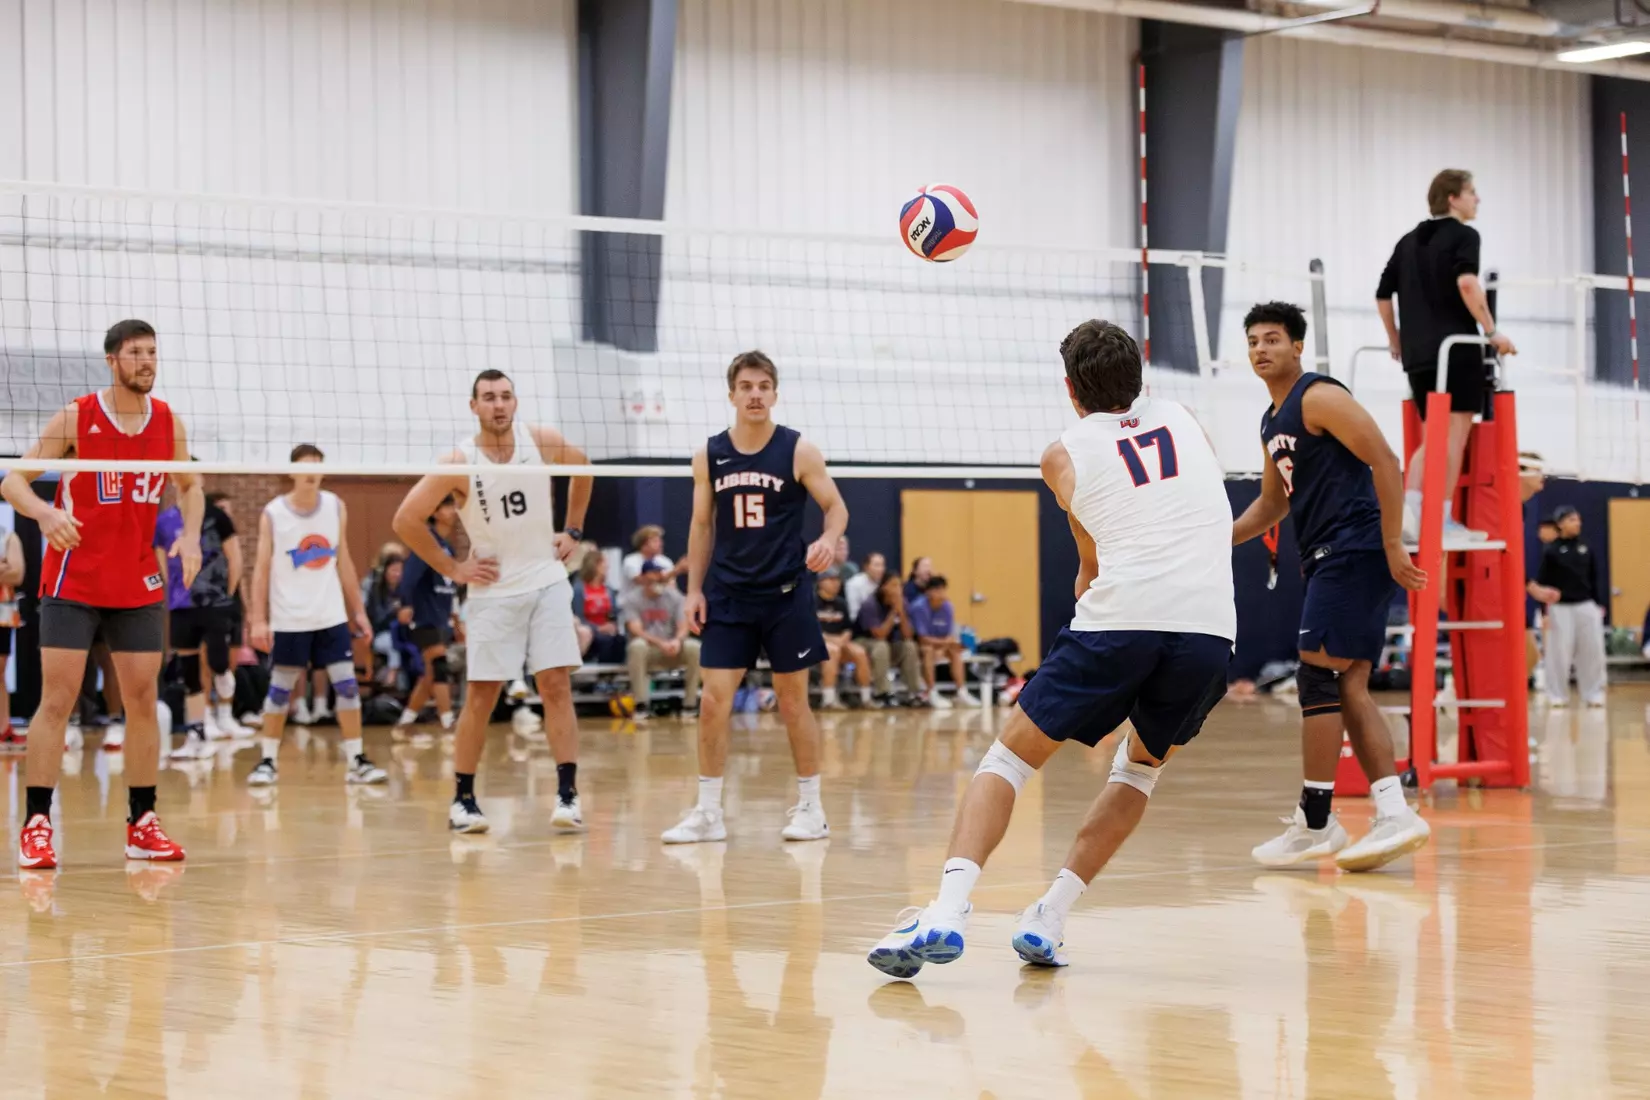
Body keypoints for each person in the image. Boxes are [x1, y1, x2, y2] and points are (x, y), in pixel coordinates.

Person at [866, 318, 1235, 978]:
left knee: (1007, 760)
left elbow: (1089, 561)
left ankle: (949, 909)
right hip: (1211, 629)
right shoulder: (1188, 419)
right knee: (1139, 771)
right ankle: (1050, 914)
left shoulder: (1060, 455)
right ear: (1142, 375)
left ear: (1070, 390)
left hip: (1120, 618)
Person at [1232, 301, 1432, 872]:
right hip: (1328, 556)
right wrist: (1217, 538)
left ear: (1297, 347)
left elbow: (1387, 461)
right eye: (1252, 341)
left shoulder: (1317, 397)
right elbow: (1272, 504)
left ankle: (1317, 820)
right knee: (1349, 684)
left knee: (1317, 673)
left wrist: (1394, 543)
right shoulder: (1272, 422)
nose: (1261, 349)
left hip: (1354, 547)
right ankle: (1391, 810)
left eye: (1272, 339)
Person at [0, 319, 198, 869]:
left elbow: (192, 487)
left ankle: (143, 822)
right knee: (57, 701)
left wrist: (188, 534)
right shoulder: (77, 415)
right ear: (112, 360)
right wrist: (44, 512)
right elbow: (12, 480)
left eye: (153, 352)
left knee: (141, 701)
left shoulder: (169, 424)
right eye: (136, 353)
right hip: (74, 578)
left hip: (136, 580)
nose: (147, 362)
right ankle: (37, 823)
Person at [392, 369, 592, 834]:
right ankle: (463, 800)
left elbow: (583, 468)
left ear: (515, 402)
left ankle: (567, 795)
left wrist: (574, 530)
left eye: (505, 396)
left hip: (545, 578)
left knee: (555, 685)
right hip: (493, 590)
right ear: (474, 406)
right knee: (482, 694)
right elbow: (406, 519)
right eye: (488, 397)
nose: (498, 405)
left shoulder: (540, 439)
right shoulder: (458, 460)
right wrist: (452, 569)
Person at [660, 350, 848, 845]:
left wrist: (828, 540)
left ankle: (811, 809)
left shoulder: (798, 450)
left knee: (793, 704)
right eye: (746, 386)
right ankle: (707, 813)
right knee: (712, 703)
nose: (756, 394)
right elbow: (702, 526)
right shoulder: (709, 454)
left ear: (775, 393)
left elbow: (836, 507)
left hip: (785, 594)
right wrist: (694, 590)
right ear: (732, 395)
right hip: (728, 596)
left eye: (764, 385)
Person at [1375, 169, 1516, 544]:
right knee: (1452, 437)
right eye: (1472, 192)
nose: (1477, 200)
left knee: (1433, 436)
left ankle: (1411, 510)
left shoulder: (1408, 241)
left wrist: (1396, 340)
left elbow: (1382, 295)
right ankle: (1442, 520)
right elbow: (1467, 282)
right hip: (1456, 349)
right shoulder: (1465, 235)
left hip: (1419, 356)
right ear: (1453, 198)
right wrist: (1491, 332)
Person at [243, 445, 386, 789]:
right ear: (291, 472)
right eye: (304, 466)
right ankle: (267, 760)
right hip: (290, 619)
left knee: (348, 688)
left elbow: (345, 562)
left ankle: (357, 760)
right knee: (279, 692)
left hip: (330, 615)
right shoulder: (274, 513)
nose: (311, 472)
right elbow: (261, 568)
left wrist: (359, 612)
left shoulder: (336, 507)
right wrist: (258, 619)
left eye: (317, 466)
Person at [161, 487, 250, 758]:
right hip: (182, 605)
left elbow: (235, 557)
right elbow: (160, 559)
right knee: (189, 673)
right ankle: (195, 734)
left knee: (218, 659)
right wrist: (171, 593)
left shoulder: (217, 517)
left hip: (215, 601)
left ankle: (223, 674)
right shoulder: (164, 521)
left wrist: (228, 593)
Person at [1529, 505, 1608, 708]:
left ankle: (1593, 693)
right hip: (1560, 608)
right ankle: (1557, 695)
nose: (1577, 523)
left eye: (1578, 519)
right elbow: (1542, 582)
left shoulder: (1586, 548)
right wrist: (1543, 611)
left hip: (1586, 605)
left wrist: (1599, 604)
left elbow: (1595, 577)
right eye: (1572, 520)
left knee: (1592, 651)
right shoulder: (1552, 551)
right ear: (1561, 523)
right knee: (1559, 653)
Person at [396, 494, 461, 730]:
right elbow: (409, 577)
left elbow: (451, 585)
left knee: (431, 674)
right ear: (434, 512)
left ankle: (405, 722)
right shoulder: (426, 542)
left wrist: (456, 618)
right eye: (448, 507)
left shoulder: (448, 548)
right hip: (424, 617)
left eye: (454, 506)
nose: (454, 511)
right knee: (440, 665)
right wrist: (406, 603)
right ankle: (448, 721)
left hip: (441, 617)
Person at [622, 560, 701, 715]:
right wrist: (660, 643)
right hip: (649, 650)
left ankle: (690, 705)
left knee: (695, 647)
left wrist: (677, 641)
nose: (657, 578)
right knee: (636, 646)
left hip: (672, 648)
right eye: (653, 575)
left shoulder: (675, 597)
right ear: (644, 578)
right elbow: (635, 629)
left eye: (659, 575)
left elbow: (683, 625)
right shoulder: (632, 599)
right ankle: (641, 705)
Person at [910, 576, 980, 709]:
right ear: (928, 592)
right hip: (918, 646)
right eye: (937, 590)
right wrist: (942, 644)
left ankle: (961, 691)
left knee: (955, 650)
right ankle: (931, 691)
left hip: (939, 644)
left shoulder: (947, 606)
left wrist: (944, 647)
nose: (941, 594)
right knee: (928, 650)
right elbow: (922, 638)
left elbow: (949, 636)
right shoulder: (919, 607)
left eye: (943, 590)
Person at [857, 572, 924, 706]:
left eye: (900, 585)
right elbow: (880, 634)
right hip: (865, 644)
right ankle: (883, 693)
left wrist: (901, 612)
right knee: (881, 646)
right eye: (894, 585)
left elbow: (907, 635)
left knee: (910, 646)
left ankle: (913, 693)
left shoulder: (902, 603)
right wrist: (894, 611)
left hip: (889, 645)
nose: (897, 589)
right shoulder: (870, 604)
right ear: (883, 587)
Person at [814, 568, 870, 709]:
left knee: (860, 652)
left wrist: (843, 639)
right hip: (814, 645)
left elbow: (847, 629)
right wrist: (833, 641)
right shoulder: (811, 601)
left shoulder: (841, 603)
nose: (836, 583)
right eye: (831, 580)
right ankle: (828, 699)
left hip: (839, 642)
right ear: (821, 582)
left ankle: (866, 698)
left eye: (837, 580)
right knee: (831, 651)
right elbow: (810, 630)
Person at [572, 551, 626, 663]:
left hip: (608, 631)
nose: (607, 566)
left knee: (620, 642)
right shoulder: (579, 590)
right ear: (594, 565)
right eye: (604, 563)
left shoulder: (608, 590)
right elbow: (577, 617)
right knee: (603, 642)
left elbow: (613, 614)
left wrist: (612, 625)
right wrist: (597, 628)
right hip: (589, 632)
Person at [0, 519, 23, 748]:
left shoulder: (7, 536)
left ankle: (3, 727)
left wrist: (8, 568)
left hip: (2, 614)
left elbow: (16, 574)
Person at [621, 525, 679, 590]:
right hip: (632, 600)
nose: (660, 544)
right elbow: (643, 581)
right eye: (655, 541)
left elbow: (672, 587)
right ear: (643, 545)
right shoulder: (631, 561)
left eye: (660, 541)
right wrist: (677, 570)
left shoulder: (666, 561)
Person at [844, 550, 884, 620]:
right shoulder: (854, 583)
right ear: (866, 567)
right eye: (877, 565)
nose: (881, 569)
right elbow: (853, 614)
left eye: (882, 565)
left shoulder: (884, 583)